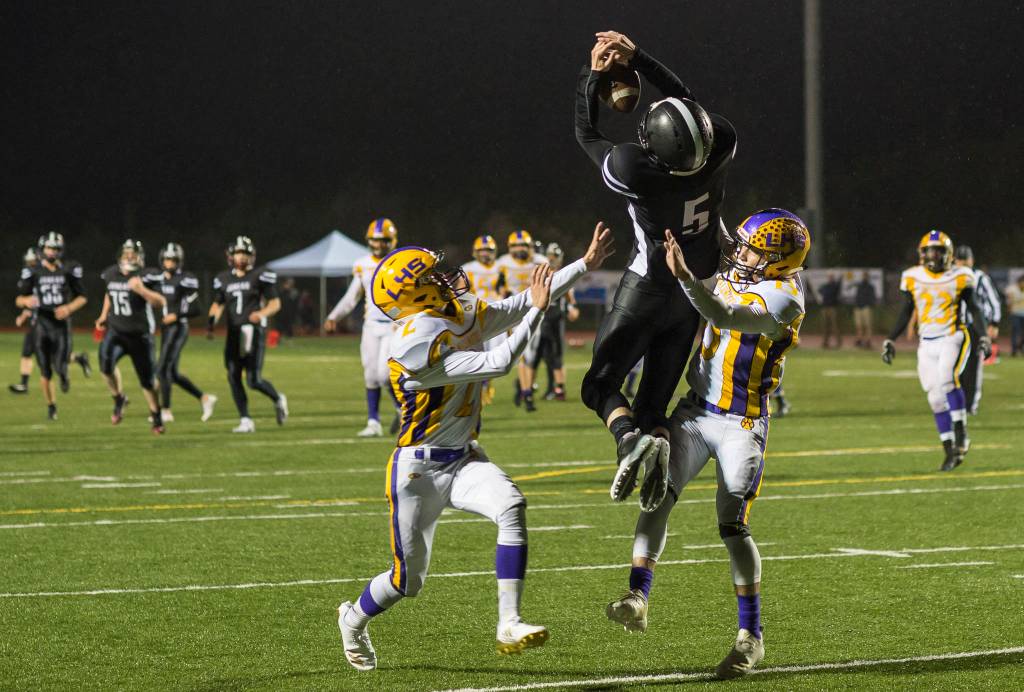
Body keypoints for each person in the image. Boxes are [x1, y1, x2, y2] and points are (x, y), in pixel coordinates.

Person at [336, 223, 614, 671]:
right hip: (418, 472)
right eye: (433, 277)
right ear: (415, 293)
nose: (447, 278)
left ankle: (509, 622)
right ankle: (353, 619)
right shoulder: (412, 342)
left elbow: (519, 302)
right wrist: (538, 313)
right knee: (408, 581)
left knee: (511, 505)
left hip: (464, 456)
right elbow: (499, 362)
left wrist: (584, 265)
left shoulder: (456, 307)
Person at [605, 210, 808, 680]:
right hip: (696, 412)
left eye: (754, 248)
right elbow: (718, 255)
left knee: (731, 524)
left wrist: (686, 279)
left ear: (778, 259)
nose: (743, 253)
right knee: (658, 495)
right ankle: (638, 596)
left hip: (743, 423)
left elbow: (722, 312)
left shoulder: (785, 297)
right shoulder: (745, 271)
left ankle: (751, 637)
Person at [575, 30, 737, 509]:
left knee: (600, 386)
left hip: (647, 288)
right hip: (696, 295)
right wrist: (641, 58)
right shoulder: (721, 147)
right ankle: (658, 444)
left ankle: (627, 440)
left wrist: (594, 74)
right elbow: (690, 105)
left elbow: (586, 133)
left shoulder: (635, 170)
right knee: (653, 405)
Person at [881, 231, 988, 471]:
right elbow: (907, 311)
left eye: (938, 251)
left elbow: (975, 308)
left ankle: (962, 434)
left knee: (948, 380)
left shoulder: (961, 276)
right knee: (935, 397)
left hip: (953, 335)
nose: (933, 255)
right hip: (926, 342)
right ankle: (950, 450)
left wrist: (983, 337)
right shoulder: (912, 276)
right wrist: (890, 339)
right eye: (929, 251)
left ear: (948, 254)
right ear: (922, 254)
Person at [324, 218, 401, 437]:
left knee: (385, 375)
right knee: (370, 375)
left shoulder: (400, 262)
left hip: (393, 326)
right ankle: (373, 422)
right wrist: (334, 316)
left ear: (392, 241)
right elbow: (352, 296)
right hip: (371, 325)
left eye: (384, 240)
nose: (379, 245)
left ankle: (402, 409)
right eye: (375, 241)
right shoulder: (362, 263)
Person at [209, 236, 288, 433]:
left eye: (245, 253)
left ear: (252, 256)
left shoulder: (260, 275)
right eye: (238, 253)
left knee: (253, 380)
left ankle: (278, 398)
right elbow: (218, 303)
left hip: (253, 332)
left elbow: (275, 303)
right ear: (231, 255)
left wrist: (261, 314)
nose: (242, 257)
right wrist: (211, 321)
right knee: (233, 375)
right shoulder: (223, 279)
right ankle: (245, 419)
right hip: (234, 333)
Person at [15, 232, 89, 419]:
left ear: (60, 250)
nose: (52, 252)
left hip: (61, 325)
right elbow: (18, 299)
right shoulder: (34, 271)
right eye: (49, 248)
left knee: (59, 364)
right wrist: (26, 301)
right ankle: (51, 406)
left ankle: (64, 374)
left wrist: (69, 308)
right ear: (42, 249)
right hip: (41, 324)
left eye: (55, 248)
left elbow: (82, 297)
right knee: (45, 369)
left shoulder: (68, 270)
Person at [96, 240, 167, 433]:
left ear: (140, 257)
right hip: (116, 331)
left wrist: (141, 290)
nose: (129, 257)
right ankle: (119, 398)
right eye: (126, 254)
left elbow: (160, 302)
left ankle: (156, 415)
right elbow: (109, 293)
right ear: (120, 256)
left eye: (133, 254)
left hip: (140, 336)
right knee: (105, 364)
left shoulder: (147, 276)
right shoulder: (111, 273)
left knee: (147, 381)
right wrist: (104, 315)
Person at [156, 242, 216, 422]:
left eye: (173, 260)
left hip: (179, 327)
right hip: (166, 329)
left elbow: (197, 308)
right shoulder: (158, 279)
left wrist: (176, 315)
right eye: (167, 259)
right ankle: (205, 398)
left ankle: (165, 410)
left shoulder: (186, 279)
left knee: (162, 369)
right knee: (172, 373)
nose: (170, 263)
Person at [496, 230, 545, 411]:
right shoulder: (502, 263)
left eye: (523, 245)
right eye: (516, 245)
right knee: (523, 354)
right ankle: (527, 394)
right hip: (515, 315)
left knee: (532, 356)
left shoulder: (539, 261)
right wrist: (502, 293)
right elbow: (497, 285)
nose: (520, 249)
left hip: (535, 311)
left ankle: (523, 386)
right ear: (509, 247)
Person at [461, 234, 507, 405]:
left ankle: (487, 383)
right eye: (482, 250)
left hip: (496, 315)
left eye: (488, 250)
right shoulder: (468, 268)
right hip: (475, 316)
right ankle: (480, 385)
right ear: (475, 252)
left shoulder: (501, 267)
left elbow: (506, 290)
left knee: (494, 355)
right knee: (475, 354)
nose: (485, 254)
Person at [953, 246, 999, 414]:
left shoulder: (980, 277)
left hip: (975, 327)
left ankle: (970, 404)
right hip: (955, 327)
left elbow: (993, 301)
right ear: (955, 261)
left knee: (973, 366)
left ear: (972, 260)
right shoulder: (950, 277)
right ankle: (957, 403)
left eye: (966, 260)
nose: (964, 263)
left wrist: (994, 323)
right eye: (960, 260)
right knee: (954, 366)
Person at [532, 243, 580, 401]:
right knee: (546, 356)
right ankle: (551, 388)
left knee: (555, 355)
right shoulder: (542, 273)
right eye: (550, 257)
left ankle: (559, 389)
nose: (552, 261)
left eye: (554, 258)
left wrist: (572, 308)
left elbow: (569, 298)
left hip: (555, 319)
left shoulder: (562, 274)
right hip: (544, 319)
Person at [853, 272, 876, 349]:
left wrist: (869, 304)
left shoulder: (870, 287)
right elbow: (857, 296)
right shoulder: (859, 286)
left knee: (867, 325)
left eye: (865, 276)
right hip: (858, 307)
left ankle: (868, 341)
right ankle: (859, 339)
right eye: (863, 276)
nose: (864, 277)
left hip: (866, 307)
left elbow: (872, 297)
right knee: (858, 325)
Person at [818, 273, 842, 348]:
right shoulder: (826, 286)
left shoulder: (835, 286)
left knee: (834, 325)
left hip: (832, 308)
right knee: (825, 326)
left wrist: (840, 278)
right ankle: (825, 342)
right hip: (825, 307)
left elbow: (838, 286)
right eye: (829, 277)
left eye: (831, 277)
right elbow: (820, 290)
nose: (830, 278)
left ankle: (838, 342)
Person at [1006, 275, 1024, 356]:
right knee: (1015, 332)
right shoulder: (1012, 289)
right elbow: (1009, 301)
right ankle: (1014, 350)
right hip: (1015, 313)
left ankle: (1020, 347)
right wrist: (1009, 310)